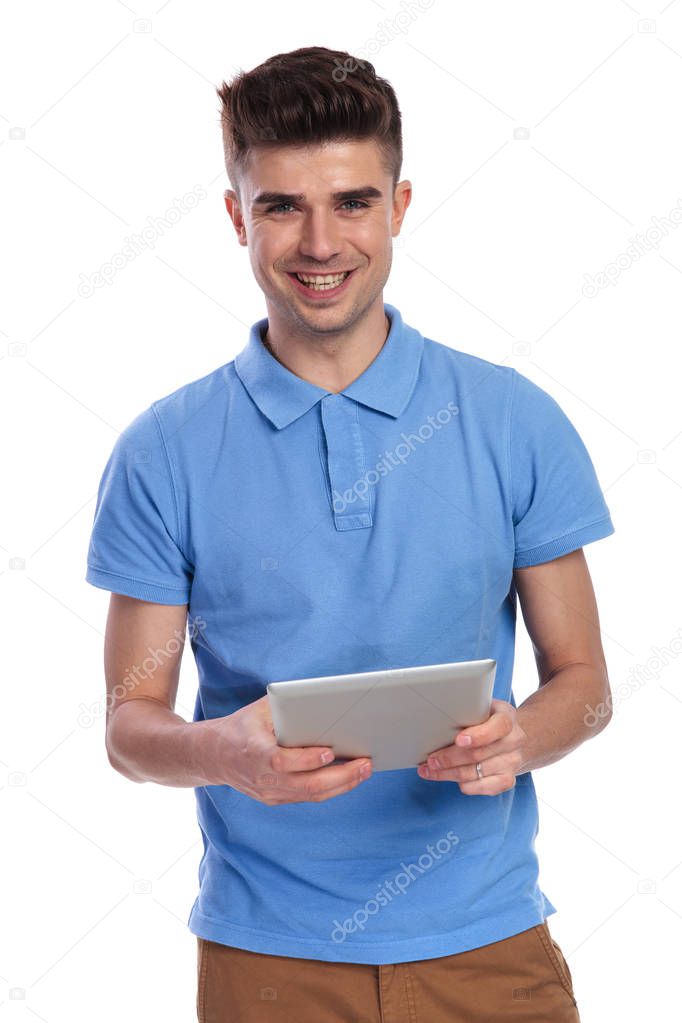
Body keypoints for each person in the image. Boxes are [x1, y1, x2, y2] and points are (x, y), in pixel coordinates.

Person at [85, 45, 615, 1022]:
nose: (320, 242)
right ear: (238, 216)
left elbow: (583, 687)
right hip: (266, 961)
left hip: (489, 948)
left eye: (353, 203)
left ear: (400, 208)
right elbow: (130, 727)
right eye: (282, 206)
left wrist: (519, 737)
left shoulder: (512, 420)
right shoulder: (164, 451)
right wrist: (223, 755)